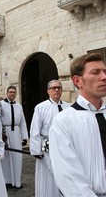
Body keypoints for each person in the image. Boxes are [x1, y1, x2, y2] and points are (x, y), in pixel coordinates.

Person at [49, 53, 106, 196]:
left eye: (105, 71)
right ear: (77, 81)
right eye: (95, 72)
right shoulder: (64, 121)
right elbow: (68, 173)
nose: (104, 76)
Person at [30, 80, 71, 197]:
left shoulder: (68, 107)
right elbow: (35, 130)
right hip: (47, 148)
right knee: (48, 177)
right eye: (53, 88)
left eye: (59, 87)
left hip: (65, 147)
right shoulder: (41, 107)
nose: (56, 90)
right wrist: (36, 150)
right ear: (48, 91)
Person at [0, 86, 28, 189]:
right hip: (5, 132)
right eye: (10, 92)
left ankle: (17, 181)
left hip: (16, 133)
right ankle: (6, 181)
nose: (12, 94)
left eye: (14, 92)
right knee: (5, 157)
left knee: (17, 156)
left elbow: (23, 122)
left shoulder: (19, 106)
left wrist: (24, 137)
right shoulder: (1, 105)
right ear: (7, 93)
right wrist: (0, 135)